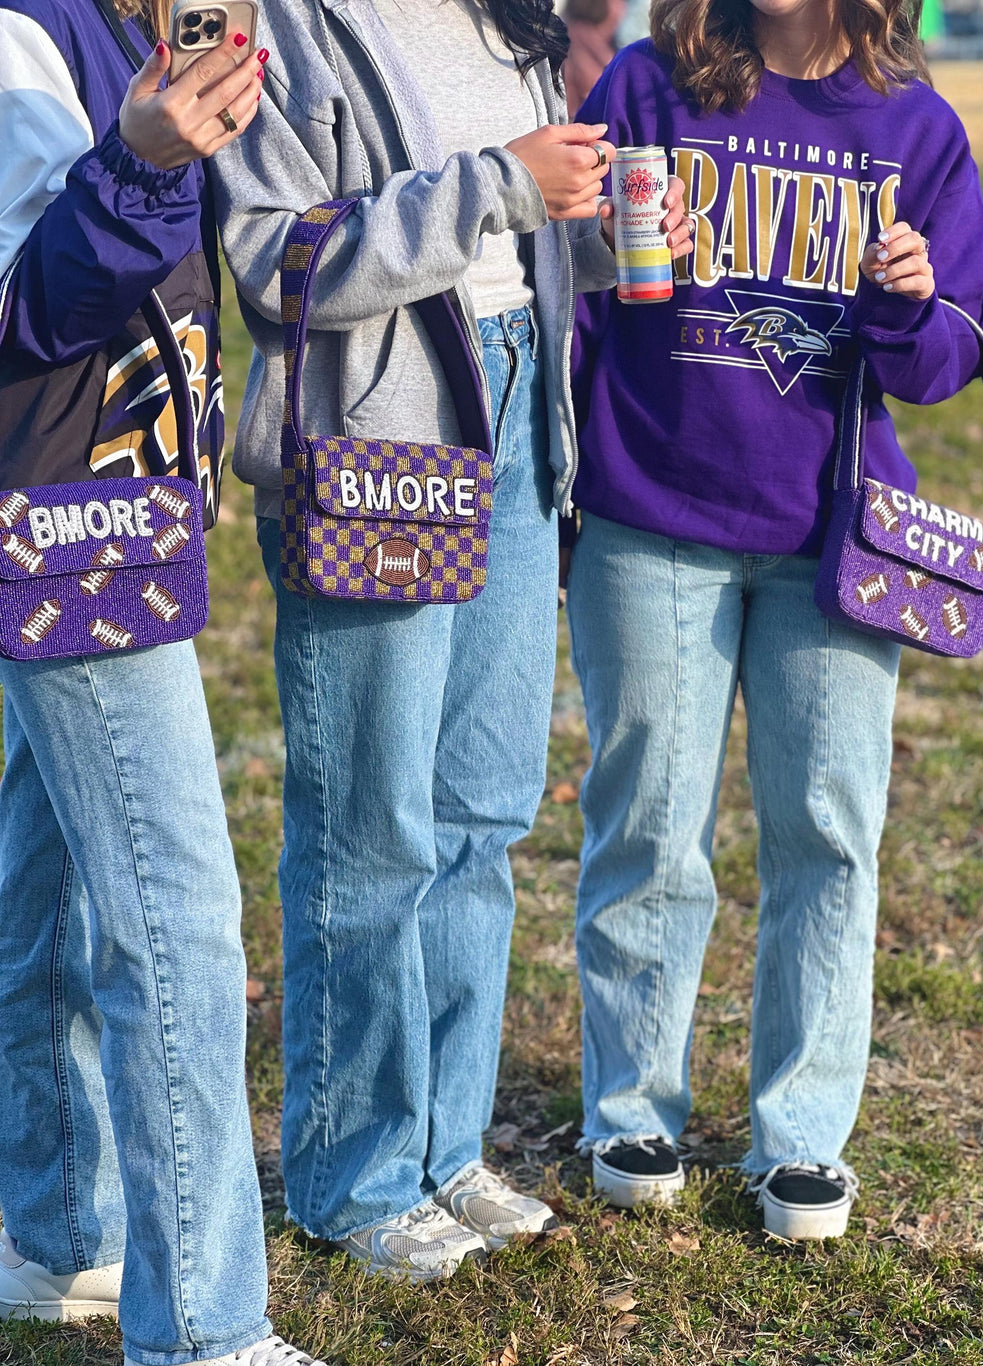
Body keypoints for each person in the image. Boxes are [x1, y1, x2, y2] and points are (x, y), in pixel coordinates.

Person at [212, 0, 689, 1282]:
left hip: (521, 410)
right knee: (373, 824)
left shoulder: (511, 23)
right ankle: (352, 1174)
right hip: (383, 439)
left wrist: (593, 243)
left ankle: (441, 1146)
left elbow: (512, 245)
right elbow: (273, 261)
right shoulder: (289, 25)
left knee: (482, 812)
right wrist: (495, 184)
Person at [567, 0, 983, 1239]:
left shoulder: (913, 127)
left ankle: (799, 1139)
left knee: (827, 830)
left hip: (830, 539)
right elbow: (579, 298)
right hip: (651, 513)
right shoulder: (651, 88)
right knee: (647, 826)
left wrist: (911, 299)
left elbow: (939, 360)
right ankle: (631, 1107)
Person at [0, 3, 328, 1362]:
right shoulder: (31, 35)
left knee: (44, 889)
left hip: (117, 511)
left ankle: (58, 1231)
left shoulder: (175, 31)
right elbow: (26, 303)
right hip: (66, 520)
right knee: (177, 922)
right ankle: (202, 1327)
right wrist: (137, 159)